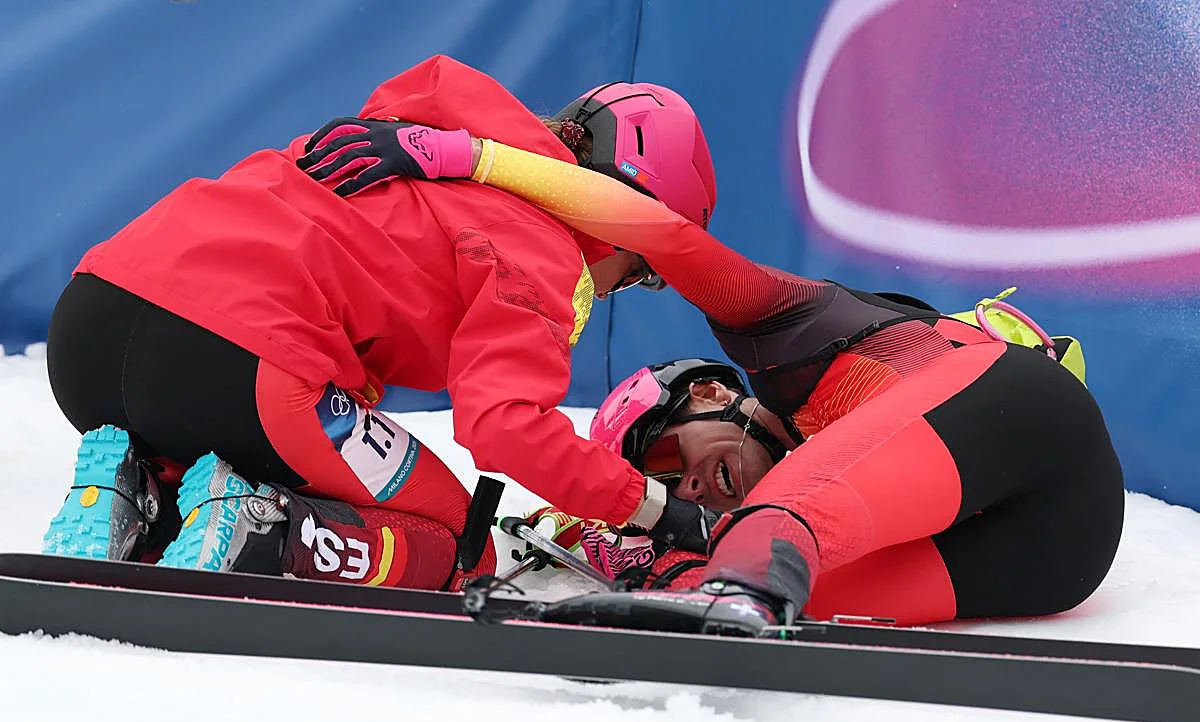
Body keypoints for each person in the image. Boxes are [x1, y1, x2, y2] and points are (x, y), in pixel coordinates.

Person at [300, 121, 1124, 632]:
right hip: (1055, 554)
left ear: (707, 393)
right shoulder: (787, 500)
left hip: (1031, 419)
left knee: (780, 524)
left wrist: (471, 157)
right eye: (662, 481)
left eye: (665, 457)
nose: (688, 485)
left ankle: (737, 595)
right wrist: (622, 547)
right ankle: (729, 596)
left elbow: (654, 231)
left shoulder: (786, 333)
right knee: (742, 570)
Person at [40, 55, 722, 592]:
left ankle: (130, 499)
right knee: (456, 540)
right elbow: (504, 425)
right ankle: (264, 533)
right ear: (625, 213)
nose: (620, 287)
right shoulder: (543, 245)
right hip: (244, 359)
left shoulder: (423, 138)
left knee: (253, 443)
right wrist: (657, 508)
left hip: (90, 326)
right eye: (643, 268)